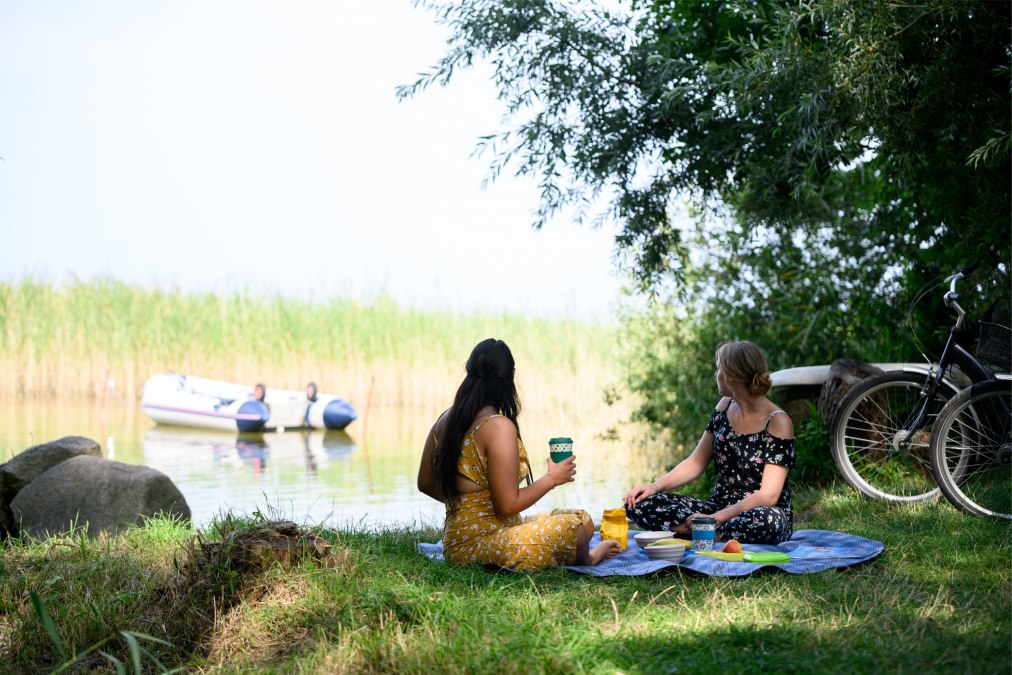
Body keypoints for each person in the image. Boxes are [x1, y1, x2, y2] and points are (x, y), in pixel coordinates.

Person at [418, 338, 621, 571]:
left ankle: (578, 548)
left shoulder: (445, 418)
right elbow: (507, 505)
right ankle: (592, 557)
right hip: (478, 546)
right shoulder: (498, 426)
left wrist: (465, 505)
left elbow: (425, 483)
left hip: (462, 541)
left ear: (469, 372)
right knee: (574, 531)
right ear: (511, 375)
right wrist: (552, 478)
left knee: (582, 520)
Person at [623, 340, 796, 544]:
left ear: (732, 376)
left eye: (718, 369)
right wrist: (654, 487)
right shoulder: (724, 407)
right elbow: (695, 463)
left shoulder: (778, 421)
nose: (716, 375)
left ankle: (697, 532)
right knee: (639, 504)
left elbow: (768, 496)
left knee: (767, 522)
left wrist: (716, 519)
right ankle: (708, 534)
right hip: (717, 506)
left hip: (758, 512)